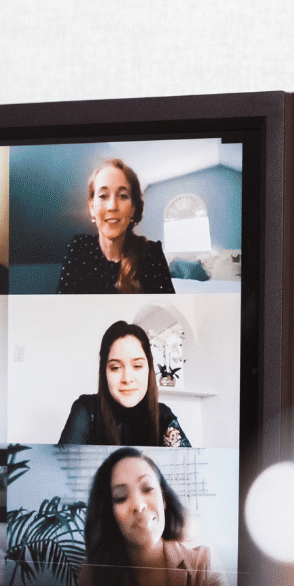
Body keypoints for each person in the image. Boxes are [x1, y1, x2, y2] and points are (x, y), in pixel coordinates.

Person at [77, 448, 229, 586]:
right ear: (109, 513)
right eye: (120, 497)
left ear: (163, 498)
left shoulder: (204, 565)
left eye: (148, 488)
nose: (138, 504)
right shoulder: (92, 573)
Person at [58, 320, 191, 447]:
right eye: (115, 367)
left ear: (149, 369)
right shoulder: (86, 410)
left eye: (137, 366)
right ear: (104, 372)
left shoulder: (163, 416)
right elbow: (62, 465)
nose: (127, 379)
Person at [54, 159, 176, 294]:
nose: (112, 206)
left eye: (123, 196)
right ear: (91, 207)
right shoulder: (79, 248)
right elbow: (64, 309)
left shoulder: (151, 254)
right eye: (103, 196)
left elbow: (164, 312)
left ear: (133, 209)